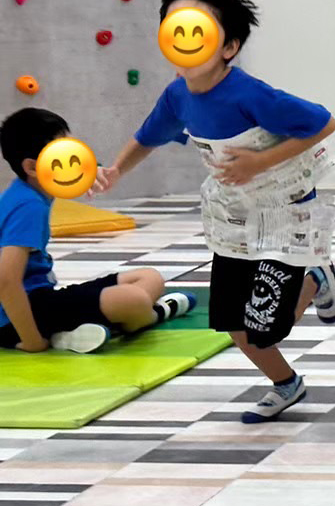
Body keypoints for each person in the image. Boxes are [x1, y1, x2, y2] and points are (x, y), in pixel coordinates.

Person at [94, 0, 335, 422]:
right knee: (233, 322)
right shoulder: (177, 96)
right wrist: (114, 170)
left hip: (285, 212)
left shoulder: (250, 94)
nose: (183, 35)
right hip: (234, 216)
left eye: (198, 27)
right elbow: (148, 136)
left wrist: (259, 162)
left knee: (267, 326)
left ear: (228, 46)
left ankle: (315, 277)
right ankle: (286, 384)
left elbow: (324, 123)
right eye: (174, 26)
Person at [0, 107, 193, 354]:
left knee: (150, 277)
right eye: (65, 157)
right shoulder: (28, 206)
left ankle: (77, 330)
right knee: (133, 300)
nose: (76, 161)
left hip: (42, 298)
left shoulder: (28, 190)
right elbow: (6, 281)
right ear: (32, 167)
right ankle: (157, 312)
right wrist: (32, 341)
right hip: (15, 318)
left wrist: (92, 172)